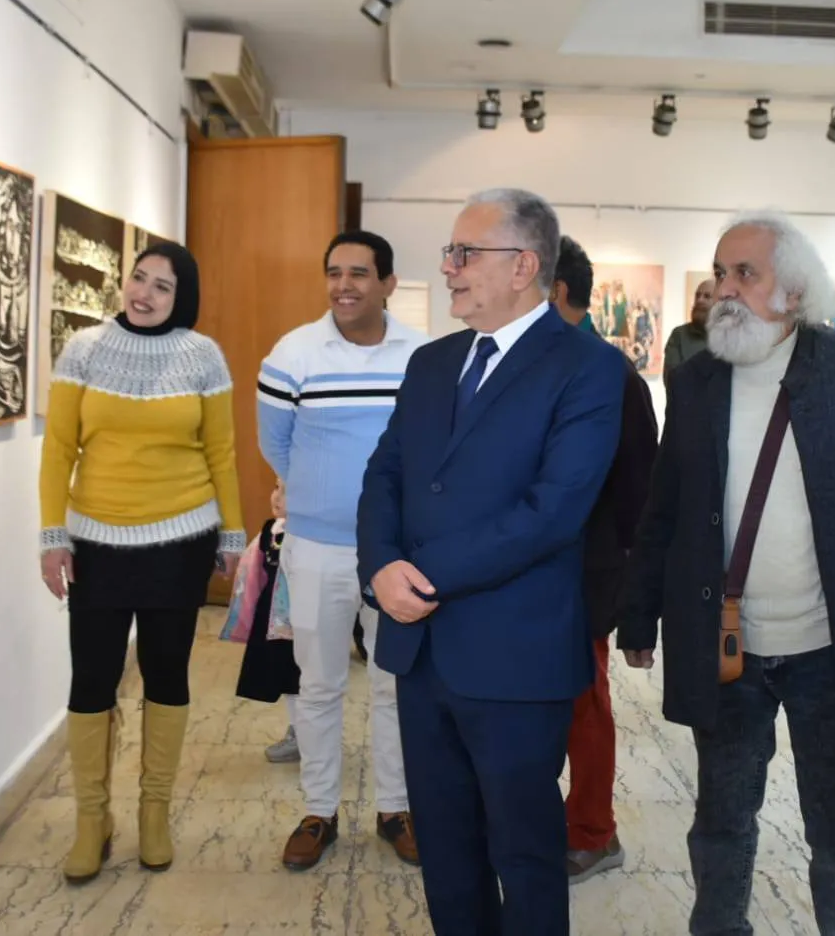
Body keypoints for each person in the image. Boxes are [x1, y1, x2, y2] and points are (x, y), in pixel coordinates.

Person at [619, 210, 835, 936]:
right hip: (728, 649)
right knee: (721, 824)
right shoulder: (695, 382)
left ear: (793, 292)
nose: (724, 289)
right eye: (718, 272)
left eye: (744, 274)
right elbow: (663, 508)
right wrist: (638, 614)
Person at [359, 189, 626, 936]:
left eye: (464, 253)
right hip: (421, 653)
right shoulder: (432, 363)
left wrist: (421, 574)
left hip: (517, 660)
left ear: (523, 266)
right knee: (446, 851)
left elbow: (553, 510)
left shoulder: (588, 368)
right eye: (450, 252)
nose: (448, 267)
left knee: (524, 854)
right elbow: (385, 474)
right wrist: (380, 565)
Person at [38, 241, 244, 883]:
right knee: (91, 682)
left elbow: (221, 451)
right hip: (96, 544)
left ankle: (154, 814)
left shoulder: (203, 356)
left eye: (162, 286)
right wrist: (52, 536)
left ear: (182, 298)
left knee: (166, 676)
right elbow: (58, 449)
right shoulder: (83, 349)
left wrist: (232, 534)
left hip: (180, 542)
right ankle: (92, 821)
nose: (144, 294)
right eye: (139, 278)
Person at [257, 231, 427, 870]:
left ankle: (396, 809)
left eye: (359, 273)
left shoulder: (423, 356)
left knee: (393, 685)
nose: (344, 285)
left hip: (396, 553)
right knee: (319, 684)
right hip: (316, 547)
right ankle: (319, 811)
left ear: (388, 283)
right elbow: (276, 445)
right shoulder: (293, 353)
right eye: (334, 272)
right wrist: (315, 494)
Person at [546, 236, 658, 883]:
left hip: (583, 574)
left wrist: (632, 596)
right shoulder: (529, 366)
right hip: (523, 573)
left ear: (556, 291)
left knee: (583, 708)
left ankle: (593, 831)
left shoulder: (613, 376)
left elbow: (640, 494)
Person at [229, 478, 302, 761]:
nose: (277, 498)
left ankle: (313, 735)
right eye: (275, 487)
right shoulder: (270, 531)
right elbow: (251, 578)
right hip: (275, 623)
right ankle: (298, 733)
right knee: (288, 680)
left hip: (305, 622)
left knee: (307, 679)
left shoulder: (313, 537)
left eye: (287, 491)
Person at [663, 275, 714, 388]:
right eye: (697, 296)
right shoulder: (679, 335)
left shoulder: (731, 336)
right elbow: (673, 382)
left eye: (707, 296)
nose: (699, 300)